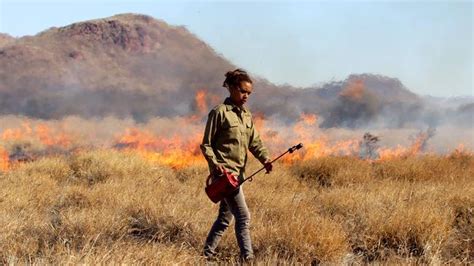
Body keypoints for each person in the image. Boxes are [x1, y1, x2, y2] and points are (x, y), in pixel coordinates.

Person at [200, 69, 273, 261]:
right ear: (231, 88)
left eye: (249, 93)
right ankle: (247, 258)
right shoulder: (219, 113)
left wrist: (265, 159)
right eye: (242, 91)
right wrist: (216, 166)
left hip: (238, 176)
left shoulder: (246, 116)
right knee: (243, 216)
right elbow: (206, 145)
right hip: (224, 176)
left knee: (225, 218)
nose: (246, 96)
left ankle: (206, 255)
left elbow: (254, 142)